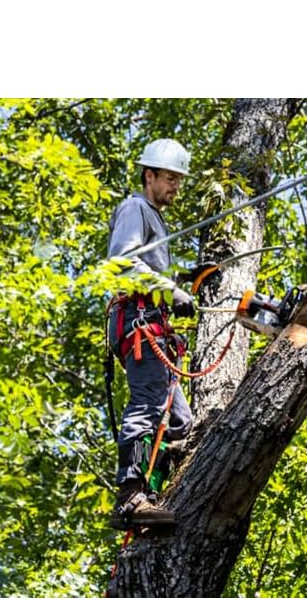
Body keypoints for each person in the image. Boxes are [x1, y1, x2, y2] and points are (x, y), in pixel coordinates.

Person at [106, 138, 197, 530]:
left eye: (179, 179)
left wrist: (183, 279)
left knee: (180, 422)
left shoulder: (155, 219)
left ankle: (153, 490)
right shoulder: (135, 208)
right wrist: (171, 291)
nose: (176, 186)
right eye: (170, 178)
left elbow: (149, 267)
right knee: (146, 404)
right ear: (149, 175)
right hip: (138, 324)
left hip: (152, 325)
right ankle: (131, 496)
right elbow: (123, 262)